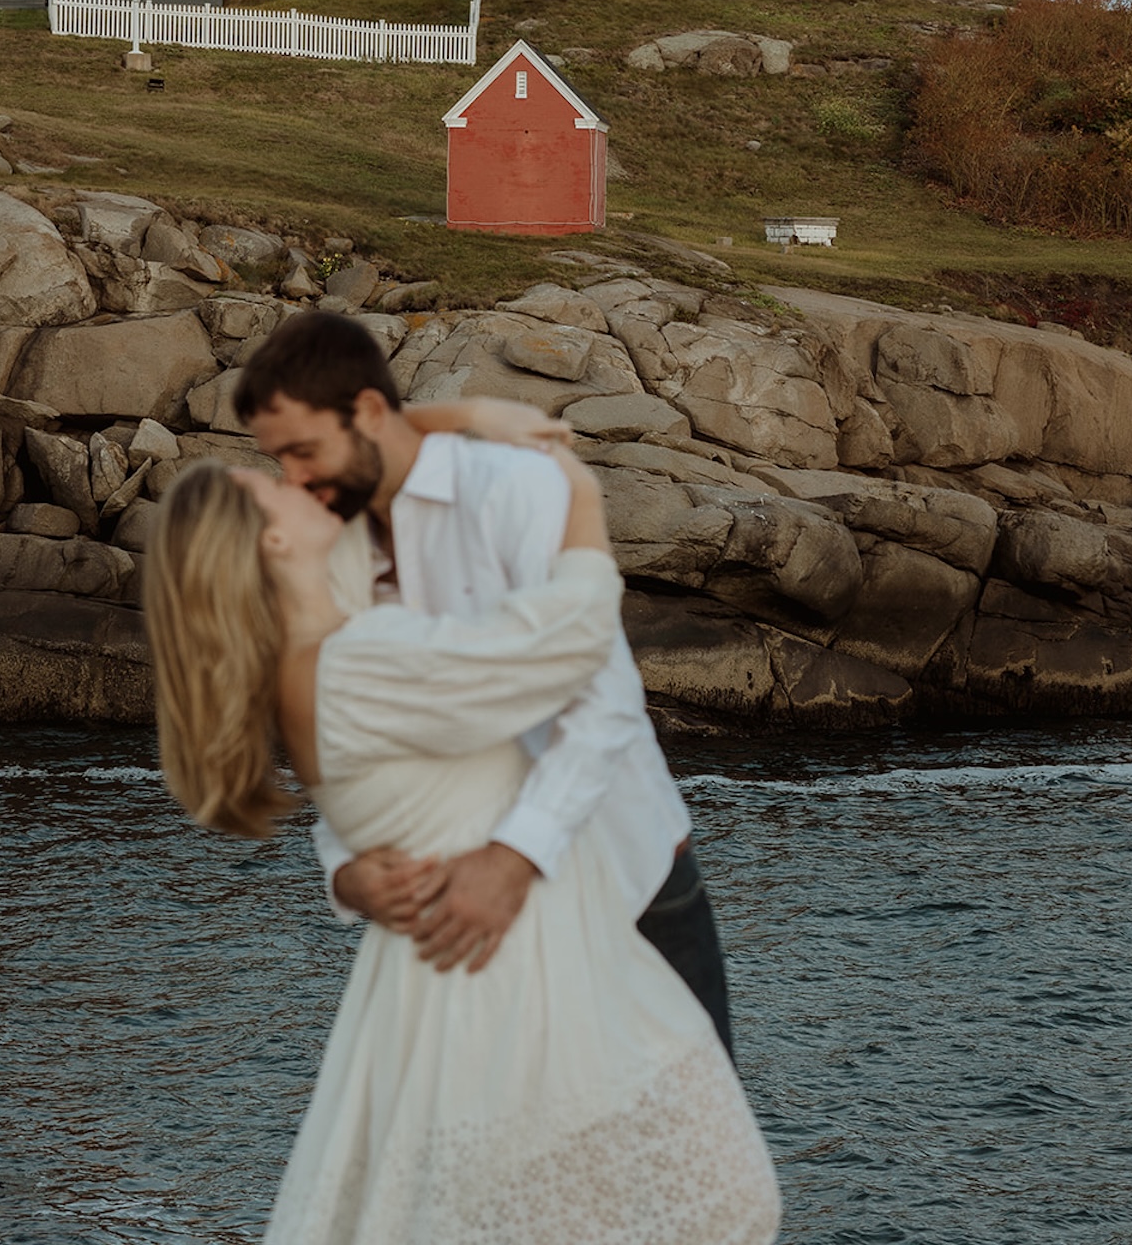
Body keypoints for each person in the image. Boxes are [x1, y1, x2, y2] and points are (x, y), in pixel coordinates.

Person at [143, 449, 781, 1245]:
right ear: (272, 543)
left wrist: (346, 874)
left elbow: (383, 801)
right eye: (272, 489)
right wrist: (577, 501)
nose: (295, 483)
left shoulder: (308, 662)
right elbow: (577, 660)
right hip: (510, 972)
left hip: (491, 956)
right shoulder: (365, 658)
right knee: (719, 1200)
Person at [232, 310, 736, 1053]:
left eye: (304, 452)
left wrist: (513, 858)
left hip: (630, 880)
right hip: (466, 912)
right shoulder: (324, 550)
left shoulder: (511, 486)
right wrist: (347, 874)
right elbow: (344, 739)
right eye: (280, 461)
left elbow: (605, 704)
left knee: (696, 1150)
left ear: (370, 411)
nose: (294, 480)